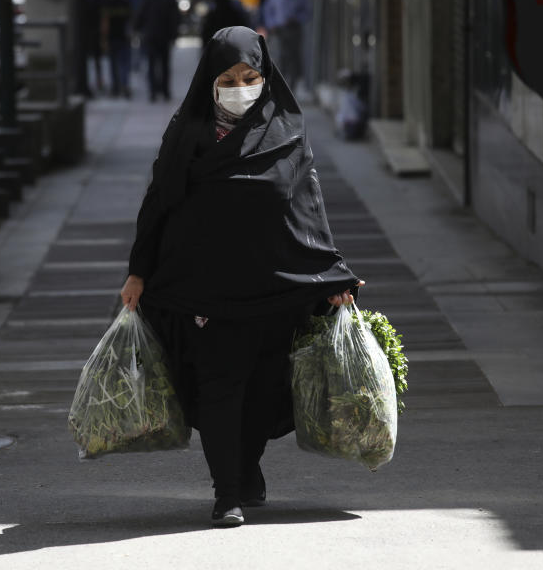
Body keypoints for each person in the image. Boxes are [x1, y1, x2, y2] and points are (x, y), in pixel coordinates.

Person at [120, 27, 363, 527]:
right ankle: (226, 491)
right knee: (220, 387)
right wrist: (138, 272)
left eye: (249, 76)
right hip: (203, 286)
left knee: (263, 386)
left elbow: (308, 206)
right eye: (227, 78)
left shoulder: (287, 131)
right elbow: (158, 205)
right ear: (210, 81)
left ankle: (247, 466)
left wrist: (332, 274)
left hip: (275, 286)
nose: (239, 86)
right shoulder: (186, 133)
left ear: (264, 75)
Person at [262, 0, 311, 93]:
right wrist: (271, 24)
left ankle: (292, 89)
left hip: (293, 30)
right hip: (278, 30)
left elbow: (307, 13)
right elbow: (268, 10)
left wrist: (296, 19)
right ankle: (279, 89)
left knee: (293, 59)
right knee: (279, 58)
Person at [134, 0, 181, 101]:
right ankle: (165, 92)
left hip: (152, 36)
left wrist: (137, 29)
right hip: (164, 37)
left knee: (152, 64)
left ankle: (153, 92)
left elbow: (141, 14)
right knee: (164, 65)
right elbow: (176, 20)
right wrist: (174, 35)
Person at [102, 0, 133, 98]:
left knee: (113, 64)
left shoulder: (107, 1)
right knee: (124, 63)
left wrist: (103, 39)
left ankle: (115, 88)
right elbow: (130, 20)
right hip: (123, 37)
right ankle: (124, 86)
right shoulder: (124, 1)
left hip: (112, 37)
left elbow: (105, 22)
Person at [126, 0, 146, 72]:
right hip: (132, 23)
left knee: (139, 46)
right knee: (133, 46)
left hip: (138, 24)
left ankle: (137, 63)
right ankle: (134, 63)